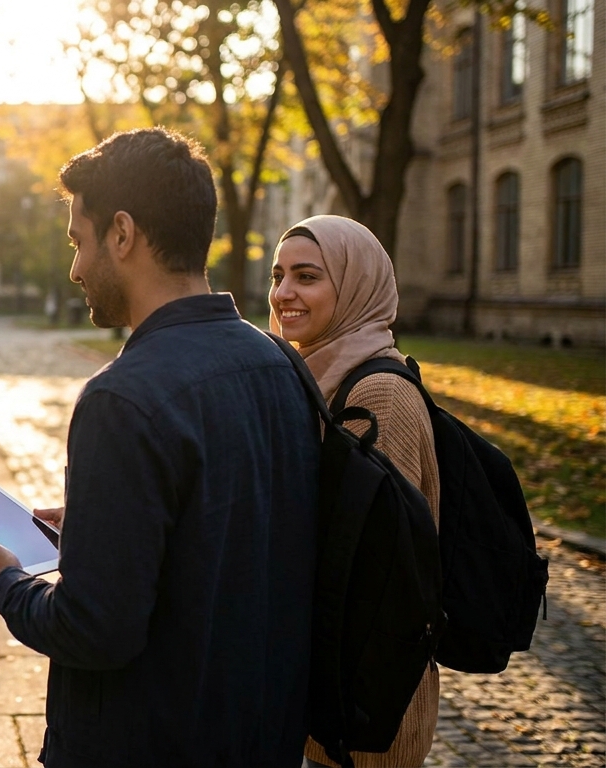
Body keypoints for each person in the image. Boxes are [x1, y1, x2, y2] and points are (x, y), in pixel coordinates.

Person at [0, 128, 319, 767]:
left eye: (78, 240)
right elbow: (236, 529)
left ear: (122, 235)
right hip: (261, 733)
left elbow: (94, 628)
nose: (73, 267)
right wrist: (104, 525)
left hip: (148, 738)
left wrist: (8, 582)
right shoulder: (280, 364)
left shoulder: (121, 400)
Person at [269, 214, 440, 768]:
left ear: (355, 286)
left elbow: (381, 575)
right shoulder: (314, 378)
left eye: (307, 276)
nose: (284, 293)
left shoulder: (378, 395)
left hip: (366, 710)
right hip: (320, 691)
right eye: (278, 275)